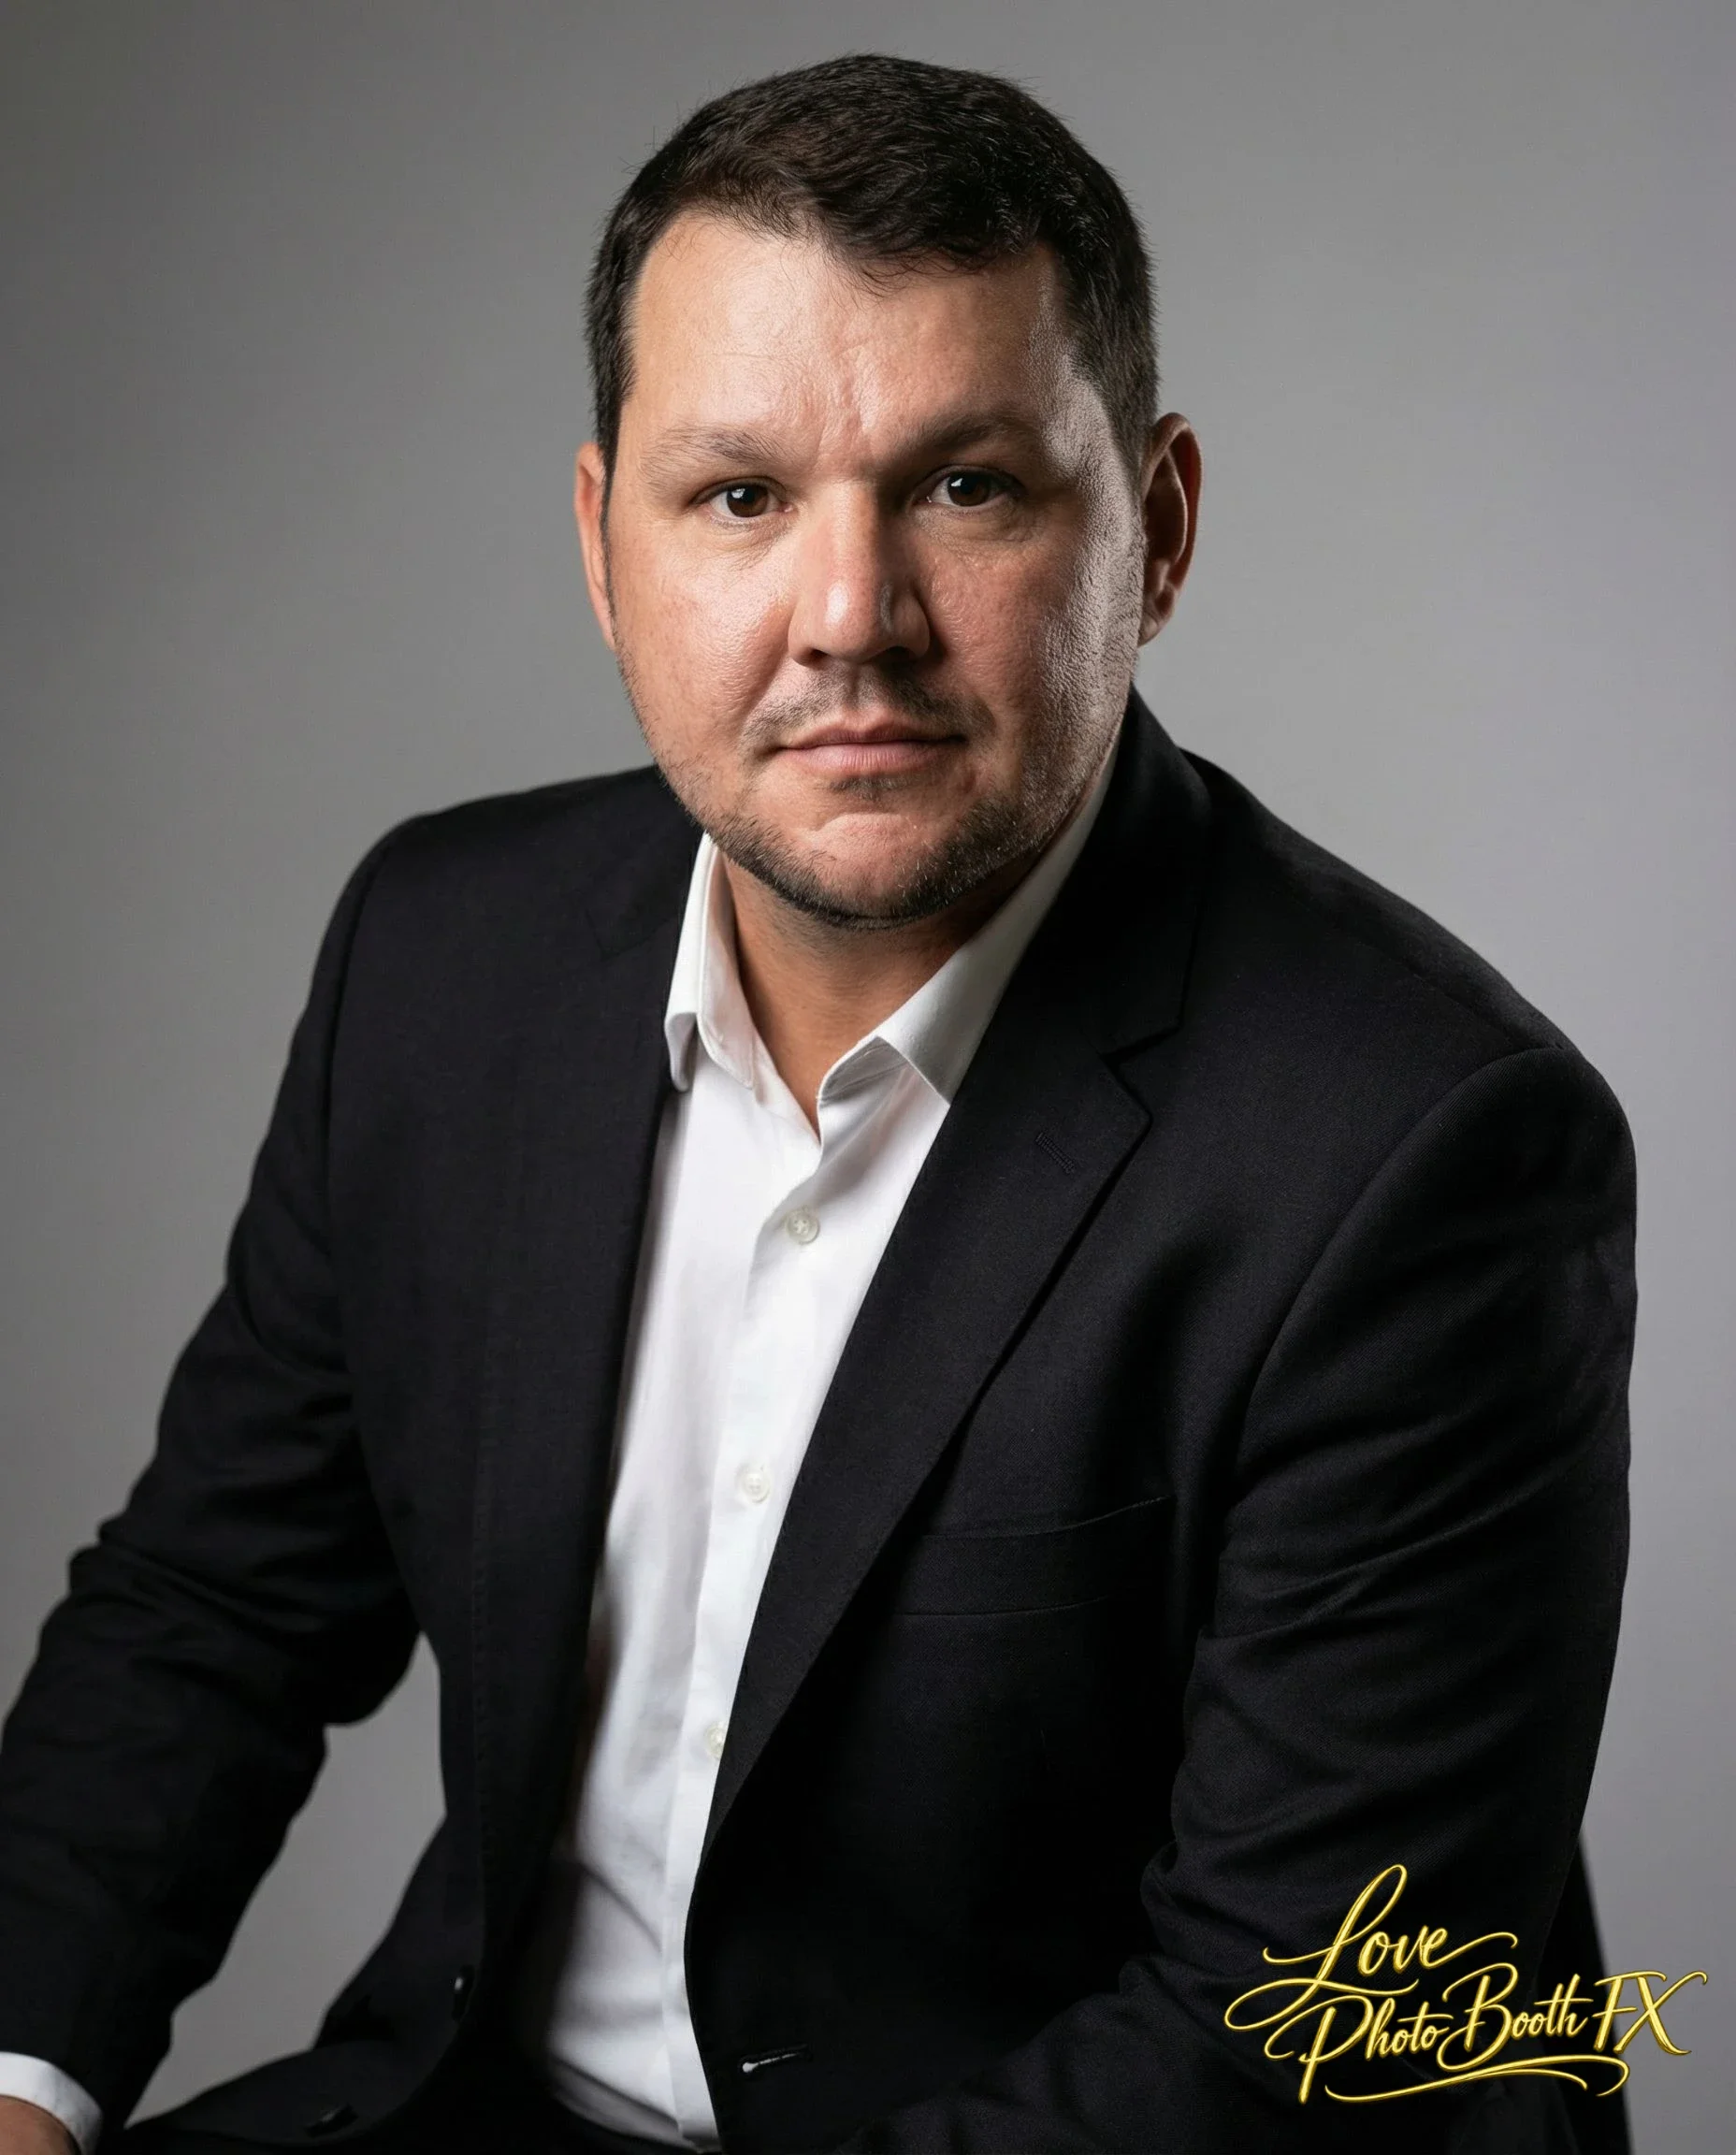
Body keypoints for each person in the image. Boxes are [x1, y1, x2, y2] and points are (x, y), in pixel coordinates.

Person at [0, 53, 1633, 2155]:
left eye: (967, 486)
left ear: (1157, 527)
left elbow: (1280, 2039)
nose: (848, 620)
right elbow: (211, 1612)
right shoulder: (443, 956)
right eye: (741, 497)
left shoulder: (1424, 1148)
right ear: (606, 547)